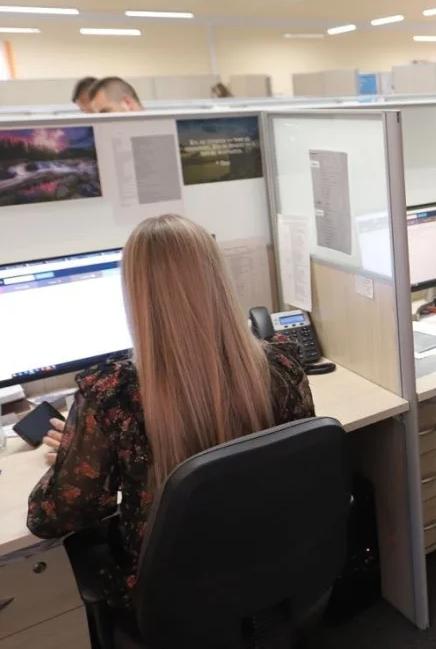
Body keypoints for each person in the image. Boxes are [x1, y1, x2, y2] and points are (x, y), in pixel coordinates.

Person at [27, 214, 315, 609]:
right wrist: (87, 444)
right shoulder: (281, 364)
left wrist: (79, 455)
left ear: (135, 295)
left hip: (173, 597)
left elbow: (52, 518)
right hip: (270, 562)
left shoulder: (112, 396)